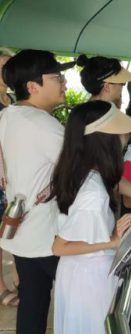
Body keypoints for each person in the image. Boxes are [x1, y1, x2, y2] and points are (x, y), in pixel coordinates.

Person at [0, 49, 75, 334]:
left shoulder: (9, 115)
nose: (64, 83)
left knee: (32, 304)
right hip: (47, 236)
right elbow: (79, 166)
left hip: (21, 231)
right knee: (91, 295)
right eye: (57, 77)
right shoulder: (42, 123)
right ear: (33, 86)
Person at [51, 100, 131, 334]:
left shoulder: (82, 173)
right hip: (88, 279)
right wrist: (113, 241)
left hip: (79, 273)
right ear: (103, 139)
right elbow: (60, 246)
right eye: (120, 132)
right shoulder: (93, 192)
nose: (127, 136)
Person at [76, 55, 131, 204]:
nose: (123, 86)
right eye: (121, 83)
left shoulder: (106, 112)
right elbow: (100, 166)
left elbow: (107, 169)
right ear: (107, 86)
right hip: (92, 200)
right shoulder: (95, 119)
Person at [0, 47, 19, 307]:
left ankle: (18, 274)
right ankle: (1, 287)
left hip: (13, 172)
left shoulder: (12, 102)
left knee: (11, 229)